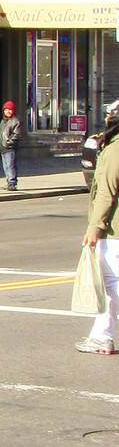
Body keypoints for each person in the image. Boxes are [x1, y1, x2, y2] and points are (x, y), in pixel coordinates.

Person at [80, 106, 119, 355]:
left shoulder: (114, 149)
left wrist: (94, 228)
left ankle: (102, 337)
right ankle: (100, 336)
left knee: (111, 284)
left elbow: (106, 193)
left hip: (114, 229)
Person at [0, 100, 22, 190]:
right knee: (6, 166)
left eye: (9, 110)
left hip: (10, 148)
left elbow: (17, 134)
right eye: (6, 110)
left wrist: (8, 142)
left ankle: (12, 182)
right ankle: (9, 181)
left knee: (10, 165)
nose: (7, 112)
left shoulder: (15, 121)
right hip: (3, 148)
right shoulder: (4, 121)